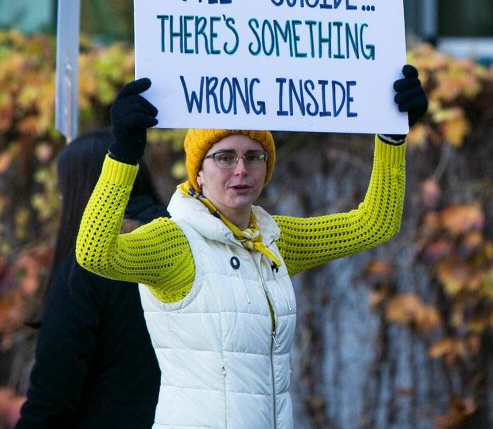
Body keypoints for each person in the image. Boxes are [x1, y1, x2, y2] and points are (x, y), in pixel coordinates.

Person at [75, 66, 427, 429]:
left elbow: (375, 223)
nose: (241, 169)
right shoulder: (175, 241)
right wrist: (123, 154)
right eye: (224, 157)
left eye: (254, 156)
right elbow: (94, 253)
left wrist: (391, 138)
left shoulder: (273, 240)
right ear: (197, 172)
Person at [17, 130, 168, 428]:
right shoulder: (186, 241)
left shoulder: (85, 269)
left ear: (77, 192)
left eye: (64, 191)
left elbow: (53, 393)